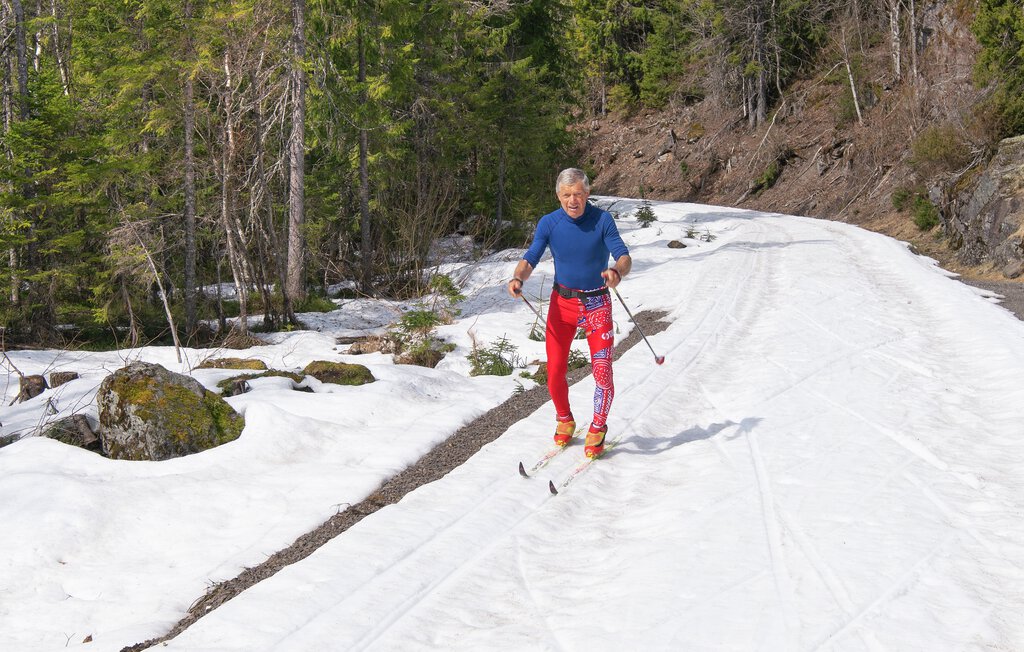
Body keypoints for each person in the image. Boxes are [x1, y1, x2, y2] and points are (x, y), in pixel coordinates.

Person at [508, 168, 632, 458]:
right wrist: (518, 278)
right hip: (561, 305)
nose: (572, 201)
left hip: (596, 304)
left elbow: (623, 256)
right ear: (558, 196)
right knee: (554, 372)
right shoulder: (549, 223)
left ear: (587, 193)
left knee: (602, 371)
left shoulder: (602, 220)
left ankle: (598, 427)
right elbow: (531, 257)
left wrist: (616, 272)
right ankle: (564, 419)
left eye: (578, 194)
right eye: (566, 195)